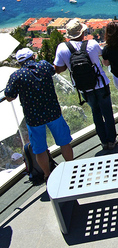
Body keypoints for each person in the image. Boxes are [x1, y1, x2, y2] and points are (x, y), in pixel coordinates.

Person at [4, 49, 74, 181]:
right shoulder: (43, 65)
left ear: (19, 62)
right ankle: (71, 168)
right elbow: (54, 70)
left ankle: (47, 175)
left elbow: (9, 96)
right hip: (53, 112)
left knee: (40, 149)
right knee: (64, 142)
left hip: (34, 118)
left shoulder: (17, 76)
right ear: (33, 56)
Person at [54, 19, 118, 150]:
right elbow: (104, 56)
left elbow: (58, 69)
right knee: (107, 113)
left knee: (96, 113)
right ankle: (112, 140)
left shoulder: (62, 48)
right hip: (100, 84)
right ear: (82, 33)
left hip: (83, 87)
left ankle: (104, 142)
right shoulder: (92, 44)